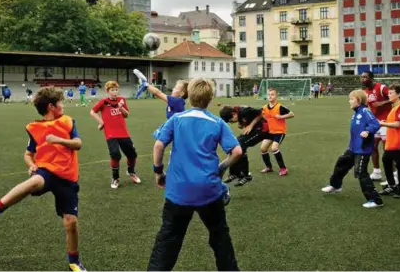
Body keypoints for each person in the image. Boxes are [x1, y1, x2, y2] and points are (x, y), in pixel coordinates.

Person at [0, 86, 86, 271]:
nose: (62, 105)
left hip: (68, 177)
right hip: (46, 172)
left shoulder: (68, 122)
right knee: (35, 181)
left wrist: (59, 140)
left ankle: (74, 261)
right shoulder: (35, 129)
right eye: (60, 103)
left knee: (71, 222)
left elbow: (78, 143)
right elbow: (27, 154)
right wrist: (31, 165)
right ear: (51, 106)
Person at [148, 78, 243, 271]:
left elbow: (158, 145)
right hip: (209, 190)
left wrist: (158, 172)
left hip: (178, 191)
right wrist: (222, 168)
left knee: (168, 240)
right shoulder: (217, 122)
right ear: (210, 98)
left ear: (189, 96)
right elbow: (237, 152)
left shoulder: (176, 119)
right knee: (220, 237)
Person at [321, 90, 384, 208]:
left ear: (359, 101)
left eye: (352, 99)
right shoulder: (356, 112)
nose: (349, 101)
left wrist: (367, 131)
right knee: (341, 164)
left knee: (361, 172)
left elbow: (375, 123)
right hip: (353, 148)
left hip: (362, 150)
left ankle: (375, 200)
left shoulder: (365, 111)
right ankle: (336, 185)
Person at [89, 81, 141, 189]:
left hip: (123, 133)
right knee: (115, 154)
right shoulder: (103, 102)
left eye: (116, 90)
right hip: (111, 134)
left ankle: (131, 172)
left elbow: (126, 115)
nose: (115, 92)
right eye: (112, 90)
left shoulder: (122, 100)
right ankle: (115, 178)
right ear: (107, 91)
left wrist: (121, 107)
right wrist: (101, 122)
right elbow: (92, 112)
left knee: (132, 155)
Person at [220, 105, 269, 186]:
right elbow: (242, 120)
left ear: (233, 114)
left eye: (231, 120)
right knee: (235, 146)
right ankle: (234, 173)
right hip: (253, 130)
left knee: (241, 146)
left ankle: (246, 175)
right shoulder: (237, 112)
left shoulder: (245, 110)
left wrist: (250, 125)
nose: (231, 123)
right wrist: (241, 123)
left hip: (262, 129)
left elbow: (260, 113)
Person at [361, 71, 392, 182]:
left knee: (387, 149)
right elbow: (368, 107)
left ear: (371, 78)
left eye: (365, 77)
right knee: (372, 146)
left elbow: (394, 98)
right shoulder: (365, 92)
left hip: (386, 122)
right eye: (362, 77)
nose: (362, 79)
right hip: (375, 123)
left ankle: (393, 175)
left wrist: (382, 103)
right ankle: (377, 172)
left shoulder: (381, 87)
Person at [260, 88, 295, 175]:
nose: (270, 96)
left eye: (272, 94)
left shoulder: (280, 107)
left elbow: (292, 114)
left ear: (276, 96)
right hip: (269, 132)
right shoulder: (264, 108)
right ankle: (268, 167)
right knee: (263, 148)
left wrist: (281, 117)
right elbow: (262, 116)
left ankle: (283, 169)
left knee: (274, 148)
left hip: (279, 132)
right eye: (269, 94)